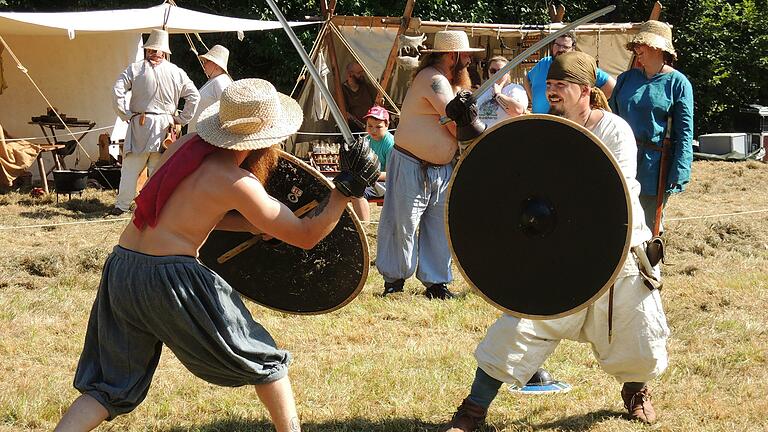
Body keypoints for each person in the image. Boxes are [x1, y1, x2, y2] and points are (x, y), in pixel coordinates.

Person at [53, 78, 380, 432]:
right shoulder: (235, 182)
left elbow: (187, 212)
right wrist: (343, 194)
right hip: (171, 278)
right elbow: (305, 236)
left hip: (123, 267)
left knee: (109, 387)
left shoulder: (183, 150)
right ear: (267, 139)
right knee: (266, 361)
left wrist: (257, 226)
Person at [442, 51, 669, 431]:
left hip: (616, 252)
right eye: (548, 86)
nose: (552, 93)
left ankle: (636, 391)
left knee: (636, 329)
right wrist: (470, 128)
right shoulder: (547, 128)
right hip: (558, 254)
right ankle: (473, 410)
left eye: (559, 86)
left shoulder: (615, 131)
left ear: (585, 90)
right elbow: (507, 168)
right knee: (518, 327)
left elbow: (611, 194)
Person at [376, 30, 483, 299]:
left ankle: (436, 284)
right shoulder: (433, 79)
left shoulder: (453, 82)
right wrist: (467, 122)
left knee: (438, 226)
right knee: (403, 224)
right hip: (412, 163)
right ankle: (394, 282)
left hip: (442, 169)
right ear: (451, 55)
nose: (469, 58)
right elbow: (458, 129)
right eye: (466, 54)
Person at [609, 20, 694, 233]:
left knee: (647, 226)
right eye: (636, 46)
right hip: (621, 157)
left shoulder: (678, 83)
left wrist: (680, 169)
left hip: (654, 165)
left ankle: (649, 266)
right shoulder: (626, 79)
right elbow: (611, 118)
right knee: (618, 218)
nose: (637, 50)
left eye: (642, 45)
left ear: (658, 48)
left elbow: (684, 131)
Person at [112, 29, 200, 215]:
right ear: (165, 51)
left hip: (141, 125)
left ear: (149, 49)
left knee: (131, 168)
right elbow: (194, 96)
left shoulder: (135, 69)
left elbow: (117, 90)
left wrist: (126, 114)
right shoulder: (177, 72)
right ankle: (155, 206)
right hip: (165, 127)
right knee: (158, 170)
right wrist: (180, 119)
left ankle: (122, 206)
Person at [524, 32, 615, 114]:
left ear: (573, 49)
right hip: (539, 122)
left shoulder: (579, 66)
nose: (560, 49)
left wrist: (590, 103)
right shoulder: (543, 63)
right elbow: (527, 79)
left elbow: (611, 86)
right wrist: (533, 99)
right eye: (557, 45)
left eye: (565, 47)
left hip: (567, 123)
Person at [351, 105, 394, 222]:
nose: (373, 130)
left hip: (389, 184)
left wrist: (370, 175)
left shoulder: (390, 144)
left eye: (378, 127)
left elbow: (393, 174)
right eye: (370, 126)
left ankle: (364, 225)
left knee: (357, 192)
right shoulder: (367, 140)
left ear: (387, 125)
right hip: (371, 180)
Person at [188, 44, 233, 133]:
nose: (203, 64)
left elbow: (227, 111)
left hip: (208, 135)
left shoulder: (221, 82)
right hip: (199, 133)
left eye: (207, 61)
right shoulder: (214, 80)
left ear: (215, 64)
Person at [475, 56, 528, 128]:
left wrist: (498, 95)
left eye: (500, 71)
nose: (496, 74)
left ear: (508, 72)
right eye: (493, 71)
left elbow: (517, 111)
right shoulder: (482, 91)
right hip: (484, 136)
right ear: (488, 72)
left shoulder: (516, 89)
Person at [342, 62, 377, 132]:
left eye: (362, 72)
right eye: (359, 73)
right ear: (350, 74)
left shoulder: (367, 87)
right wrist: (361, 126)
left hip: (372, 127)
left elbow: (376, 104)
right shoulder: (342, 90)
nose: (362, 75)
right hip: (354, 129)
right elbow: (345, 113)